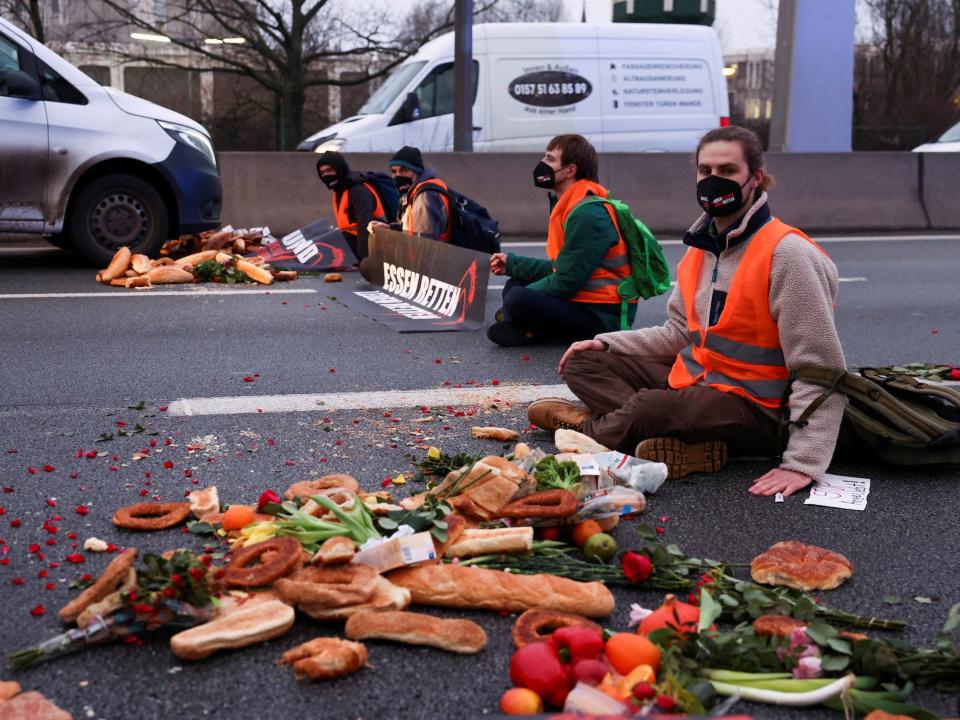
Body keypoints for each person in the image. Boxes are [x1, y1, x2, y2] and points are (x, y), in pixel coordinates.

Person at [527, 126, 846, 498]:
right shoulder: (702, 248)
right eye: (705, 171)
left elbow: (821, 366)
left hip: (757, 408)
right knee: (584, 362)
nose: (714, 181)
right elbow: (678, 332)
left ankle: (586, 430)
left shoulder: (787, 255)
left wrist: (803, 463)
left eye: (727, 172)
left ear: (756, 179)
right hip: (696, 382)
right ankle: (674, 441)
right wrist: (606, 345)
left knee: (649, 407)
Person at [486, 134, 637, 347]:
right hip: (585, 299)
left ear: (570, 170)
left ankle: (533, 329)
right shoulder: (570, 204)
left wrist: (520, 299)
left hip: (603, 316)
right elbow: (561, 268)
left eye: (549, 159)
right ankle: (533, 329)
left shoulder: (589, 215)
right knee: (515, 283)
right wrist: (512, 264)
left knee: (518, 298)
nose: (542, 164)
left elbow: (566, 281)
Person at [316, 151, 389, 261]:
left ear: (339, 168)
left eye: (329, 170)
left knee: (320, 249)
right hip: (352, 238)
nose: (326, 175)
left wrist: (364, 259)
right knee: (318, 241)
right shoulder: (340, 189)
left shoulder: (357, 190)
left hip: (374, 242)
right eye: (322, 173)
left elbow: (365, 225)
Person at [368, 146, 451, 242]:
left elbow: (425, 242)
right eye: (394, 171)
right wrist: (390, 228)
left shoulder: (424, 196)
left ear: (417, 172)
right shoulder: (412, 193)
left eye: (404, 170)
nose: (398, 175)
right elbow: (414, 229)